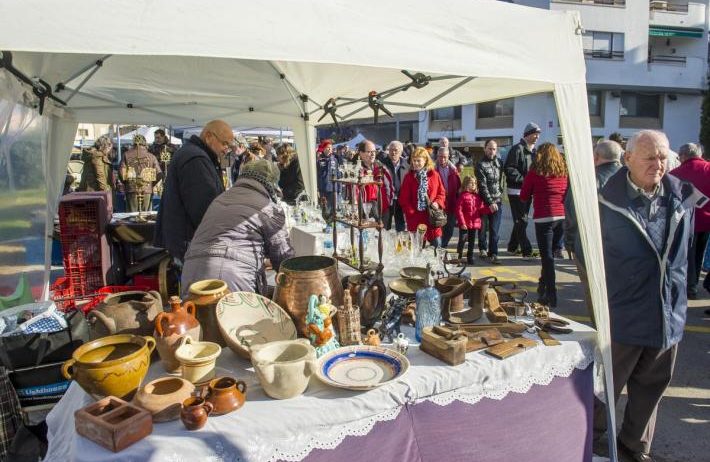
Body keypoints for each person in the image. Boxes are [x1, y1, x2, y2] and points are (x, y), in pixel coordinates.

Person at [593, 130, 697, 462]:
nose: (658, 164)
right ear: (628, 159)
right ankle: (592, 439)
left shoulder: (683, 197)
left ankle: (634, 446)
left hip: (668, 312)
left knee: (651, 389)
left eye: (664, 157)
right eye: (650, 157)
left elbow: (684, 254)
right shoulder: (605, 200)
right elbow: (585, 252)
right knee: (604, 387)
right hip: (623, 312)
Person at [181, 159, 294, 295]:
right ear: (271, 183)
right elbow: (283, 258)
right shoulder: (268, 208)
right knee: (235, 316)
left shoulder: (221, 198)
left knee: (193, 315)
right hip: (230, 278)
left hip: (191, 271)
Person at [154, 120, 233, 263]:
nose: (226, 149)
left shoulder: (194, 154)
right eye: (224, 143)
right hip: (189, 242)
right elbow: (203, 208)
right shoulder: (196, 159)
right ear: (209, 136)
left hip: (187, 240)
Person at [565, 140, 622, 320]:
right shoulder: (631, 178)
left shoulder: (586, 180)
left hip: (589, 245)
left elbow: (573, 214)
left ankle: (601, 330)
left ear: (596, 157)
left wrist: (570, 242)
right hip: (623, 248)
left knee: (594, 292)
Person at [519, 143, 568, 307]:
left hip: (544, 219)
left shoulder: (534, 172)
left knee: (547, 258)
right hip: (561, 217)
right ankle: (542, 285)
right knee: (550, 256)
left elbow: (524, 195)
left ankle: (551, 294)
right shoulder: (563, 172)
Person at [671, 142, 710, 299]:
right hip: (707, 220)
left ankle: (689, 286)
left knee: (686, 254)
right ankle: (693, 286)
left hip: (684, 220)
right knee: (700, 253)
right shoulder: (708, 169)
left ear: (683, 156)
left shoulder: (674, 173)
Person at [504, 122, 540, 258]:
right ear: (528, 134)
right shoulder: (517, 149)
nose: (537, 137)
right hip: (516, 191)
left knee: (520, 221)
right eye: (535, 134)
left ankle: (512, 247)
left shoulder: (534, 151)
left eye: (538, 134)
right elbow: (509, 169)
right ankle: (527, 250)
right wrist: (525, 181)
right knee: (522, 220)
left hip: (527, 191)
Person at [398, 147, 446, 247]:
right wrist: (411, 213)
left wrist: (437, 202)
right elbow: (403, 199)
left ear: (425, 160)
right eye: (414, 160)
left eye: (418, 160)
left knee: (437, 246)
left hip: (431, 217)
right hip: (415, 218)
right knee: (418, 250)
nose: (415, 163)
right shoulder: (409, 177)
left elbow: (441, 193)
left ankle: (435, 263)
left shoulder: (434, 175)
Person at [475, 140, 504, 264]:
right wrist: (490, 202)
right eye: (489, 148)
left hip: (497, 201)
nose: (492, 151)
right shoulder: (480, 165)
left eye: (494, 149)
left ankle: (494, 253)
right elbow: (482, 186)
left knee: (494, 229)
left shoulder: (499, 162)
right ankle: (482, 248)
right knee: (483, 228)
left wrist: (499, 195)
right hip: (484, 201)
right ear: (485, 149)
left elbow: (500, 180)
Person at [119, 134, 163, 212]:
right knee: (147, 216)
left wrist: (126, 183)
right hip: (147, 189)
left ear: (134, 143)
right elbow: (159, 173)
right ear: (145, 143)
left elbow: (121, 174)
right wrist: (152, 183)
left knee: (131, 216)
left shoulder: (126, 155)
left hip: (132, 189)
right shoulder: (151, 156)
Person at [455, 176, 491, 264]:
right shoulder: (462, 196)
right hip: (464, 224)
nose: (473, 185)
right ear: (466, 184)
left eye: (474, 183)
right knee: (462, 241)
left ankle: (469, 256)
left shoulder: (477, 197)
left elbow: (481, 209)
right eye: (471, 183)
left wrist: (490, 209)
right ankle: (458, 257)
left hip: (474, 224)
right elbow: (458, 210)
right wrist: (462, 222)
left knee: (472, 242)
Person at [357, 140, 393, 219]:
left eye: (374, 151)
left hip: (382, 209)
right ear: (361, 153)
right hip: (362, 209)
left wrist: (386, 205)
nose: (373, 154)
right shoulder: (355, 169)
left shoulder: (381, 167)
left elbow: (389, 187)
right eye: (369, 151)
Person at [435, 146, 461, 248]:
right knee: (439, 227)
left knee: (449, 228)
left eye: (445, 157)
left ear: (448, 156)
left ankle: (443, 245)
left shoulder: (454, 170)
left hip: (451, 202)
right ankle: (439, 247)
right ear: (437, 156)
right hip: (438, 203)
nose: (442, 159)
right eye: (440, 157)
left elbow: (459, 187)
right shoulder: (433, 170)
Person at [382, 140, 409, 232]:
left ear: (401, 152)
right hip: (387, 200)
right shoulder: (382, 164)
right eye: (391, 150)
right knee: (385, 227)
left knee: (400, 227)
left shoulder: (406, 166)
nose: (393, 152)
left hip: (401, 201)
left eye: (396, 150)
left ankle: (399, 244)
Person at [317, 140, 340, 218]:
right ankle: (325, 221)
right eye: (327, 148)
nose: (329, 149)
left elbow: (338, 174)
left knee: (333, 208)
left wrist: (339, 187)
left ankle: (332, 221)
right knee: (324, 207)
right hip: (323, 188)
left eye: (331, 148)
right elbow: (317, 174)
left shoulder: (335, 160)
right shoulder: (319, 160)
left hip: (333, 188)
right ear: (323, 149)